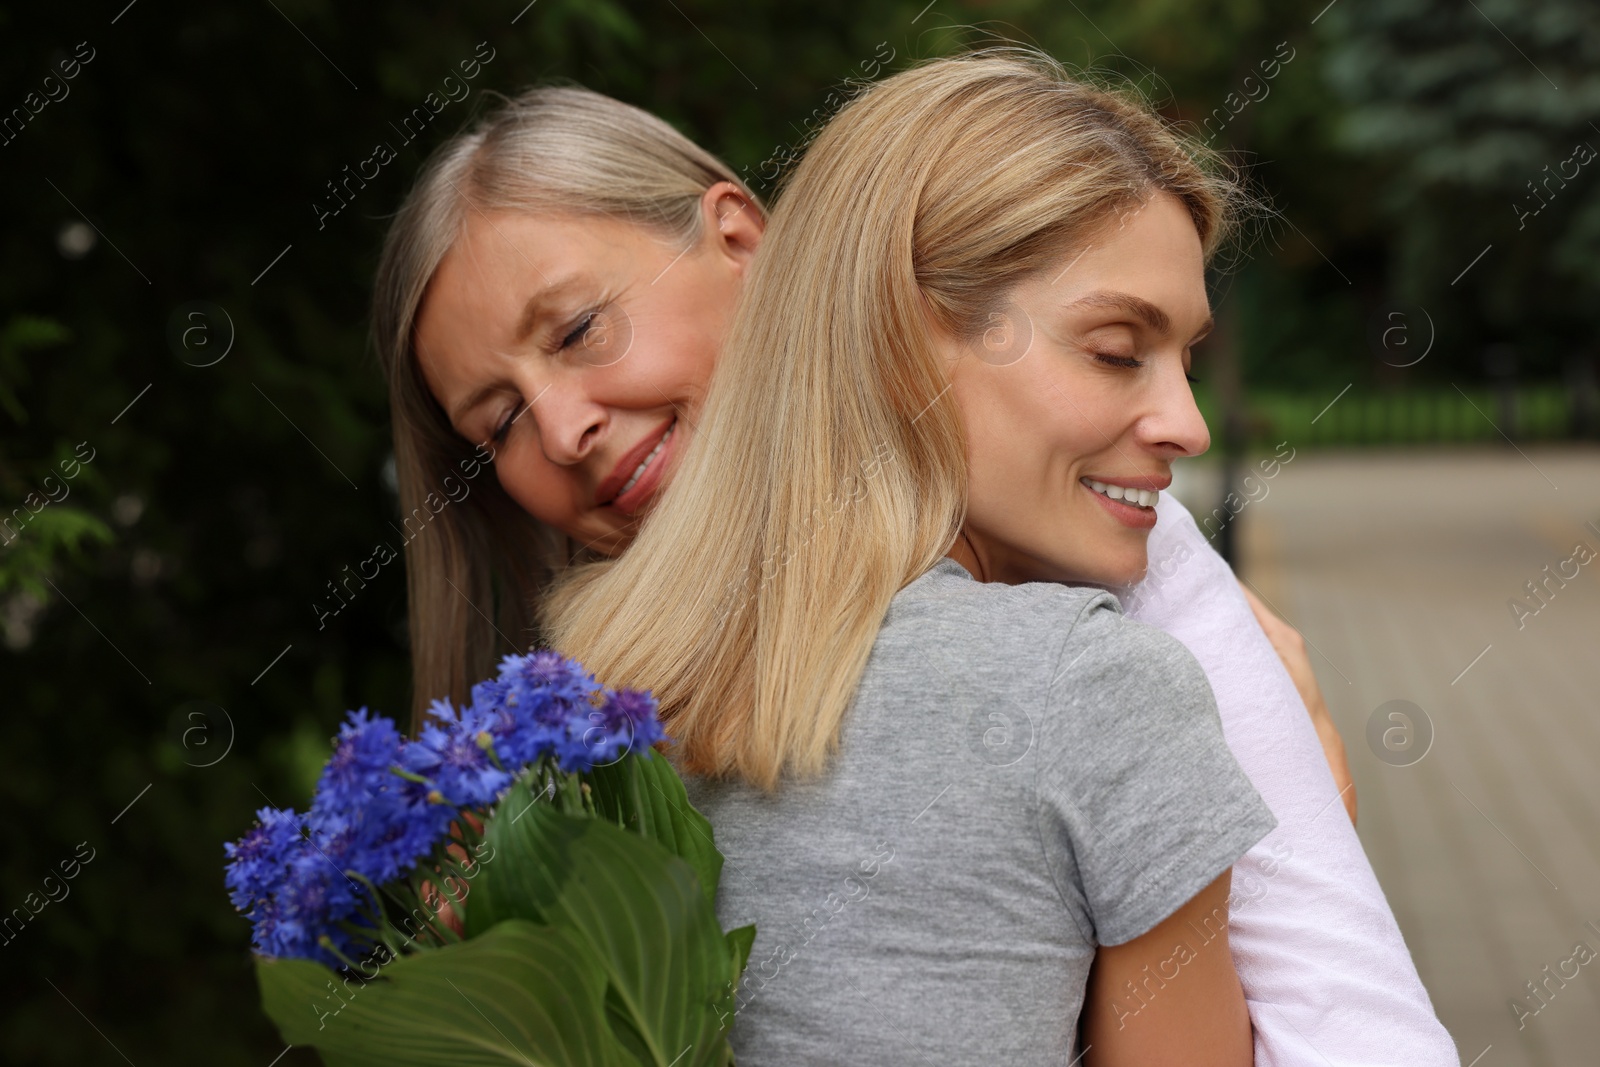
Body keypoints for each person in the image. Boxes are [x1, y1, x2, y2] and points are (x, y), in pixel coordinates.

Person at [371, 63, 1458, 1067]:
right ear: (907, 326)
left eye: (576, 329)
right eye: (500, 417)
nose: (562, 427)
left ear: (744, 243)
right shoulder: (565, 751)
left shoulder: (1133, 600)